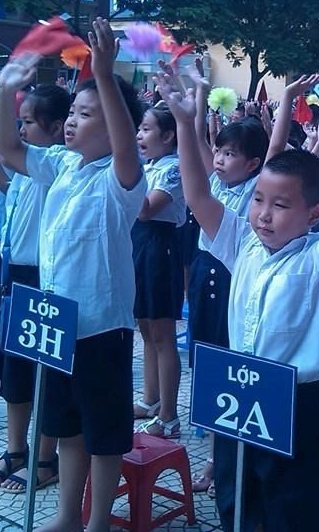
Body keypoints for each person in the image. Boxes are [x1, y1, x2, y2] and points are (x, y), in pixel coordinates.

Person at [155, 62, 319, 532]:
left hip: (302, 405)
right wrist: (187, 124)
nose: (264, 215)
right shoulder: (242, 242)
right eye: (259, 200)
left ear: (313, 214)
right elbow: (197, 194)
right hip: (241, 393)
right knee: (238, 506)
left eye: (281, 204)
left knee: (295, 515)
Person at [0, 18, 146, 532]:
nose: (73, 122)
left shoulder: (120, 180)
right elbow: (10, 151)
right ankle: (67, 518)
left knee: (103, 435)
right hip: (54, 324)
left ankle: (98, 520)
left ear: (116, 124)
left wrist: (103, 73)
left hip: (101, 328)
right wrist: (8, 95)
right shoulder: (62, 165)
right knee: (65, 428)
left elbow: (126, 147)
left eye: (86, 114)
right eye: (73, 113)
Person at [0, 83, 70, 494]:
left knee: (46, 372)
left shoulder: (58, 167)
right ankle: (16, 448)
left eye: (28, 122)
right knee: (14, 369)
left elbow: (10, 149)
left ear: (57, 127)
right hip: (14, 277)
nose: (22, 129)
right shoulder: (22, 170)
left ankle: (47, 457)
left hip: (47, 284)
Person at [183, 72, 272, 495]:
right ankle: (218, 455)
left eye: (230, 154)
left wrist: (282, 106)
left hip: (234, 281)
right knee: (206, 365)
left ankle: (226, 460)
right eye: (219, 151)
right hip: (205, 273)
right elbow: (199, 149)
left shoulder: (257, 188)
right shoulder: (216, 181)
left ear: (253, 164)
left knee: (229, 369)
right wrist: (198, 102)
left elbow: (273, 147)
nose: (219, 160)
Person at [132, 103, 186, 439]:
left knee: (164, 335)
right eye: (138, 129)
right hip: (138, 247)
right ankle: (150, 400)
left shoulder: (172, 169)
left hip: (159, 248)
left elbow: (147, 210)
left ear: (168, 136)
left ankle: (169, 415)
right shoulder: (149, 165)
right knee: (146, 330)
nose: (139, 135)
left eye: (146, 129)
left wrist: (129, 177)